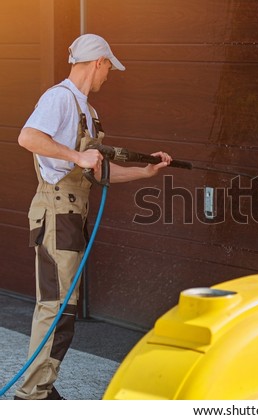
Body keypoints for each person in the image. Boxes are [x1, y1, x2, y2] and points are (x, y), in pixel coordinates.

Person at [14, 34, 172, 400]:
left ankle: (41, 387)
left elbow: (98, 170)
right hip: (56, 210)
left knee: (63, 307)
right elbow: (29, 137)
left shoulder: (88, 110)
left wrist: (143, 173)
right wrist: (76, 156)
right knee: (56, 306)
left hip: (72, 212)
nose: (108, 77)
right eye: (108, 69)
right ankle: (31, 396)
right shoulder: (60, 98)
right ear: (99, 62)